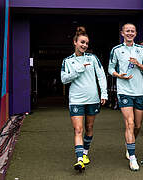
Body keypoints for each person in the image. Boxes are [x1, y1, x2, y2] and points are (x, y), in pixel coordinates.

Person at [61, 27, 108, 172]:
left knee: (89, 128)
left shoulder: (93, 58)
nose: (84, 45)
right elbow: (64, 79)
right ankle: (79, 160)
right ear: (75, 42)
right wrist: (78, 70)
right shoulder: (67, 61)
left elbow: (101, 76)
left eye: (86, 43)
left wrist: (104, 94)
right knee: (78, 129)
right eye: (82, 42)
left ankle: (85, 152)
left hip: (92, 99)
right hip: (76, 99)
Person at [108, 23, 143, 171]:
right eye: (127, 31)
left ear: (136, 33)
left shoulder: (141, 49)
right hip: (124, 91)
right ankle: (133, 158)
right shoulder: (117, 50)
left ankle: (129, 144)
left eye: (132, 31)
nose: (130, 33)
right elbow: (110, 68)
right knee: (130, 123)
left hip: (139, 91)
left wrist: (139, 64)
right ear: (122, 33)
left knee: (138, 126)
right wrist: (118, 75)